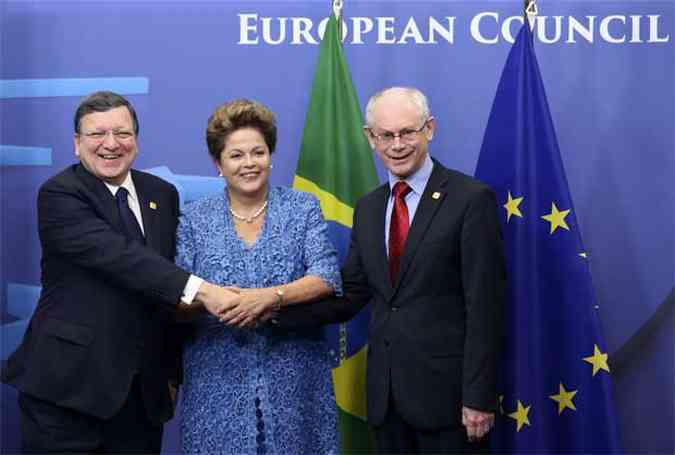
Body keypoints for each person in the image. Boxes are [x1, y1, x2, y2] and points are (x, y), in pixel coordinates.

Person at [1, 91, 241, 453]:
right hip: (67, 394)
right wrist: (205, 290)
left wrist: (171, 373)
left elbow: (162, 281)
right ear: (76, 144)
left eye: (123, 133)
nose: (111, 144)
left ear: (137, 142)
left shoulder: (161, 193)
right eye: (97, 134)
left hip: (140, 399)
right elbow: (122, 258)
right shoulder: (60, 194)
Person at [276, 87, 506, 454]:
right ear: (371, 138)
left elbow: (486, 307)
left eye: (407, 133)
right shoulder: (369, 208)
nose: (397, 145)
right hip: (387, 399)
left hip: (450, 402)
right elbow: (351, 293)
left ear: (429, 129)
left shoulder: (470, 199)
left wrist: (478, 396)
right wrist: (273, 310)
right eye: (386, 135)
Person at [175, 99, 341, 454]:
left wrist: (270, 297)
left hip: (296, 380)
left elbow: (326, 276)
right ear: (218, 164)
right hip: (214, 383)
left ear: (270, 155)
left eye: (258, 152)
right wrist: (215, 302)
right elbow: (176, 296)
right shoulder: (193, 219)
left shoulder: (302, 207)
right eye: (236, 156)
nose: (249, 164)